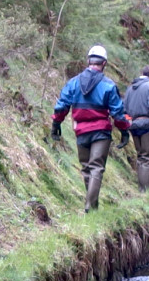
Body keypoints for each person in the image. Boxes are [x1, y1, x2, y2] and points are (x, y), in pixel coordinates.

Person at [51, 46, 131, 212]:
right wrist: (124, 131)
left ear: (88, 61)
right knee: (96, 167)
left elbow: (61, 106)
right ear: (104, 63)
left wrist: (56, 124)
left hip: (81, 131)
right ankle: (90, 205)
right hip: (101, 132)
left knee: (87, 168)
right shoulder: (108, 85)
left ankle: (91, 205)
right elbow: (117, 112)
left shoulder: (73, 82)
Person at [122, 66, 149, 191]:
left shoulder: (130, 87)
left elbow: (124, 108)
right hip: (148, 125)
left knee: (141, 156)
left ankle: (142, 187)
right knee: (148, 157)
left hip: (133, 125)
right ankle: (145, 190)